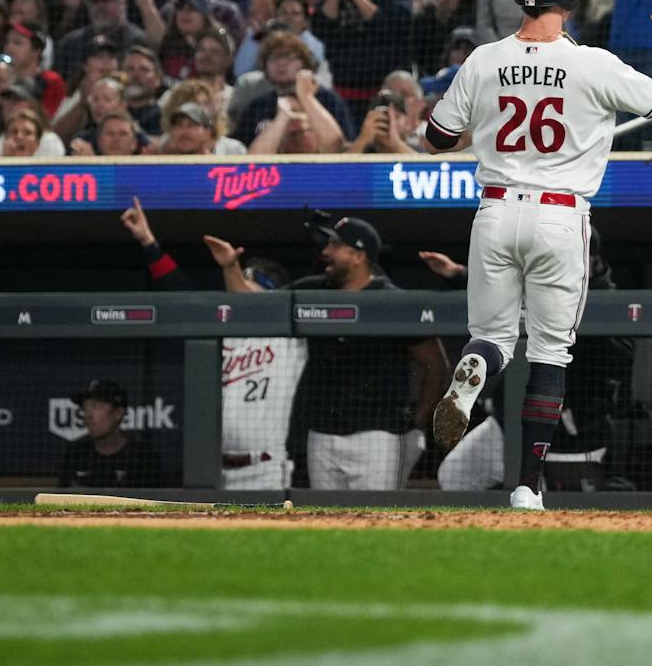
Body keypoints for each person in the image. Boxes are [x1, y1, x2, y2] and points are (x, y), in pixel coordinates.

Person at [423, 0, 652, 510]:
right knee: (550, 354)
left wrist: (491, 122)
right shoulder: (592, 62)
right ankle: (527, 486)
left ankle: (477, 366)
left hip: (495, 208)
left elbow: (436, 136)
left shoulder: (482, 59)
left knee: (494, 338)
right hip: (559, 214)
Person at [204, 216, 451, 490]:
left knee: (377, 523)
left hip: (377, 438)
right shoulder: (315, 290)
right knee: (326, 521)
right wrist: (230, 267)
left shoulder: (391, 300)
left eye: (335, 246)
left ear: (358, 256)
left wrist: (418, 424)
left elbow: (436, 365)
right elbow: (256, 304)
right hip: (321, 435)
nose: (326, 252)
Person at [117, 197, 304, 489]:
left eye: (250, 288)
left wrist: (231, 268)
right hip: (211, 467)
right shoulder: (220, 327)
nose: (238, 293)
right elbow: (178, 294)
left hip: (264, 469)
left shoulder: (289, 339)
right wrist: (149, 242)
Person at [58, 379, 165, 488]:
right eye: (85, 408)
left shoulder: (143, 458)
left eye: (96, 407)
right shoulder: (75, 455)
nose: (88, 415)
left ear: (118, 413)